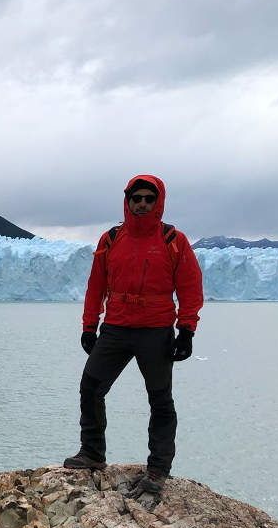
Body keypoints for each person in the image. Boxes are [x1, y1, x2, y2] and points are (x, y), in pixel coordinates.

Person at [63, 175, 203, 496]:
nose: (141, 203)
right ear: (127, 201)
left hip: (155, 330)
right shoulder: (111, 239)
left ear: (158, 202)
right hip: (116, 328)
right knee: (91, 387)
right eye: (135, 198)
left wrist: (186, 330)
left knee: (160, 400)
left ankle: (158, 469)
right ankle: (93, 453)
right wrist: (89, 326)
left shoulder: (172, 240)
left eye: (148, 198)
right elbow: (96, 285)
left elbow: (190, 287)